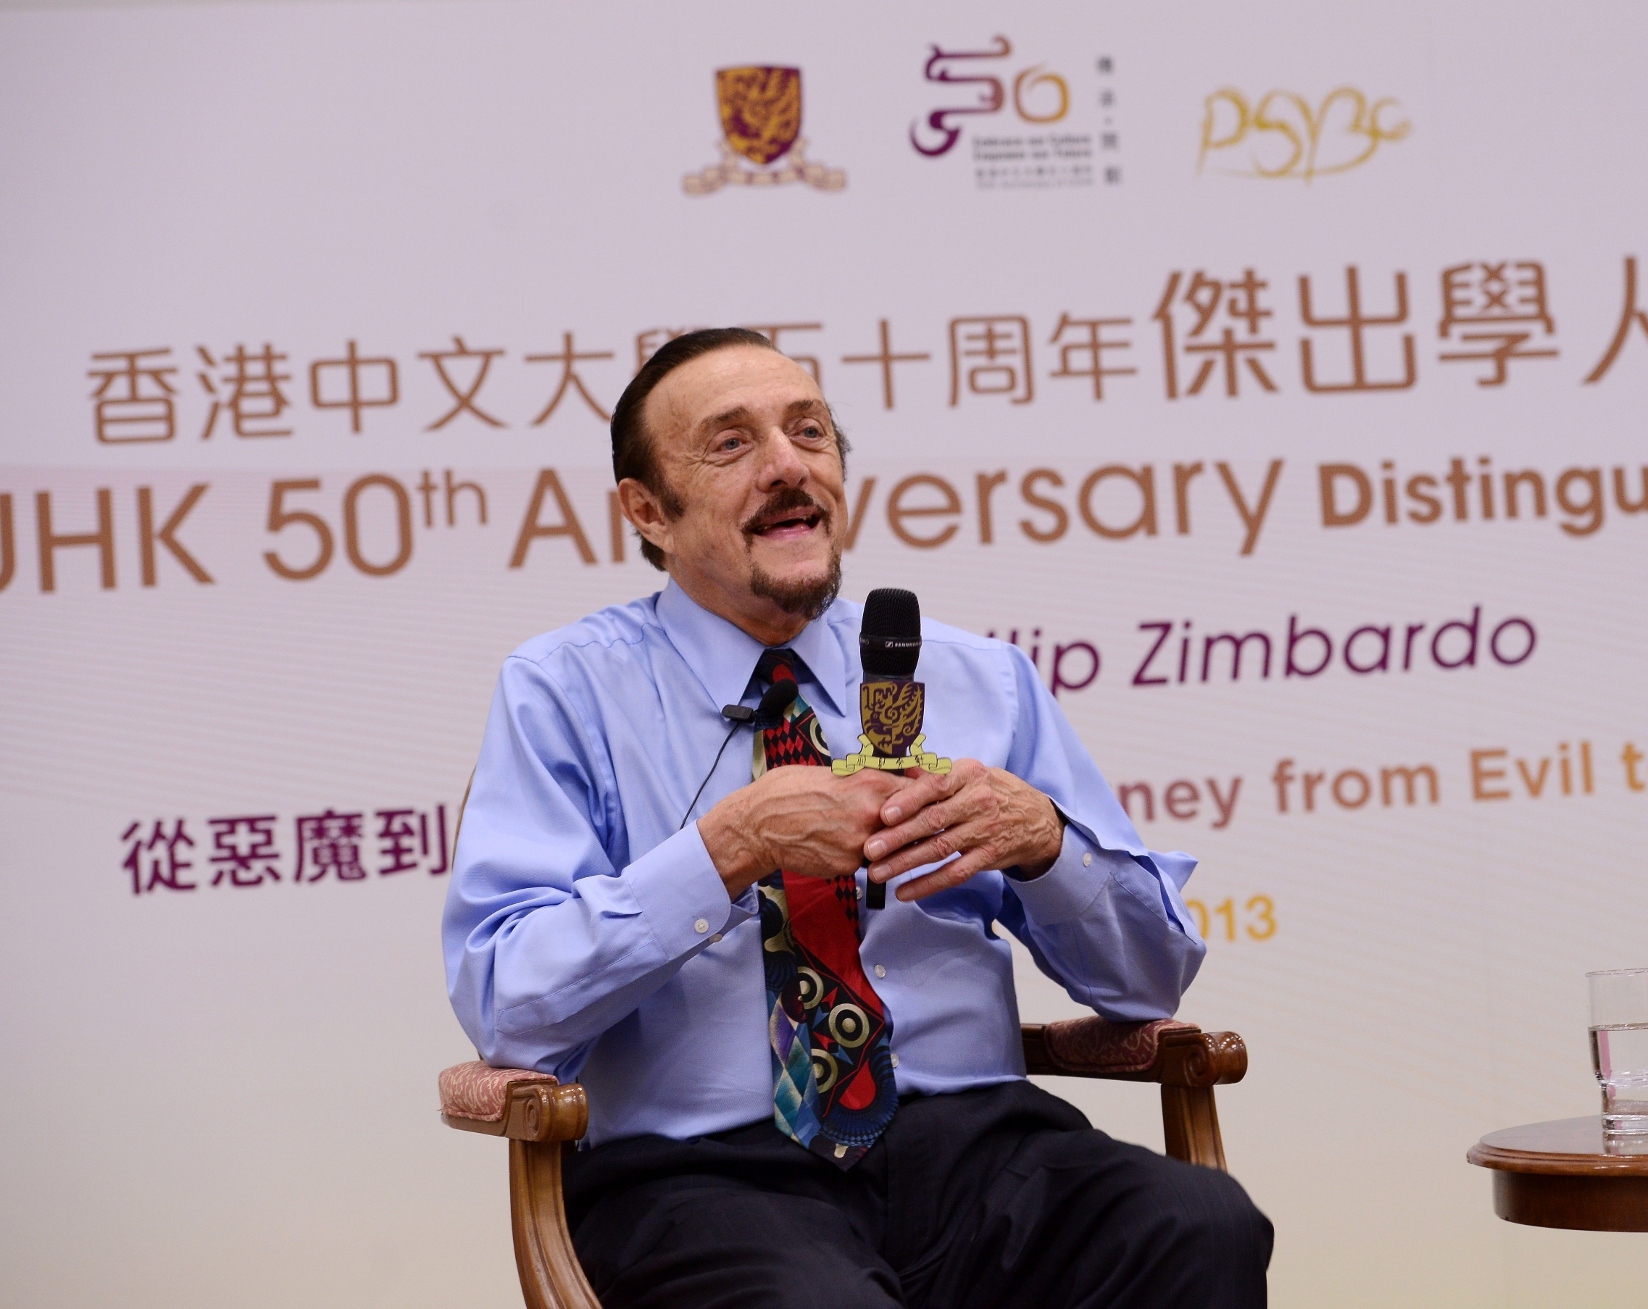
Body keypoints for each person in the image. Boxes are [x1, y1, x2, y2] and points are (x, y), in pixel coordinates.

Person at [442, 328, 1271, 1308]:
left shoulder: (979, 679)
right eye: (731, 443)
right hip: (703, 1174)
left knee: (1197, 1223)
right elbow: (509, 1003)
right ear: (648, 511)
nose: (788, 465)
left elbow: (1149, 980)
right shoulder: (564, 690)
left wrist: (1047, 846)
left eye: (809, 432)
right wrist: (727, 850)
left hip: (978, 1145)